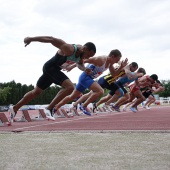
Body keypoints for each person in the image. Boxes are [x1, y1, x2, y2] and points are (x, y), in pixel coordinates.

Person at [8, 36, 96, 122]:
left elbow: (79, 64)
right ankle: (49, 108)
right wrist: (31, 39)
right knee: (70, 87)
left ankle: (15, 108)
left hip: (54, 71)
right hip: (50, 68)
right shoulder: (69, 48)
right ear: (84, 48)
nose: (87, 58)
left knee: (36, 92)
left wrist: (84, 69)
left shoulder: (81, 56)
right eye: (88, 55)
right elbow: (51, 39)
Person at [53, 49, 127, 117]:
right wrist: (71, 66)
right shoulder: (101, 59)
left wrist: (121, 67)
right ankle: (84, 106)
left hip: (88, 79)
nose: (117, 62)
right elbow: (84, 60)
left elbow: (114, 74)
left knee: (72, 96)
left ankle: (56, 107)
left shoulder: (110, 64)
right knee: (100, 91)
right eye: (117, 60)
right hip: (85, 77)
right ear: (112, 56)